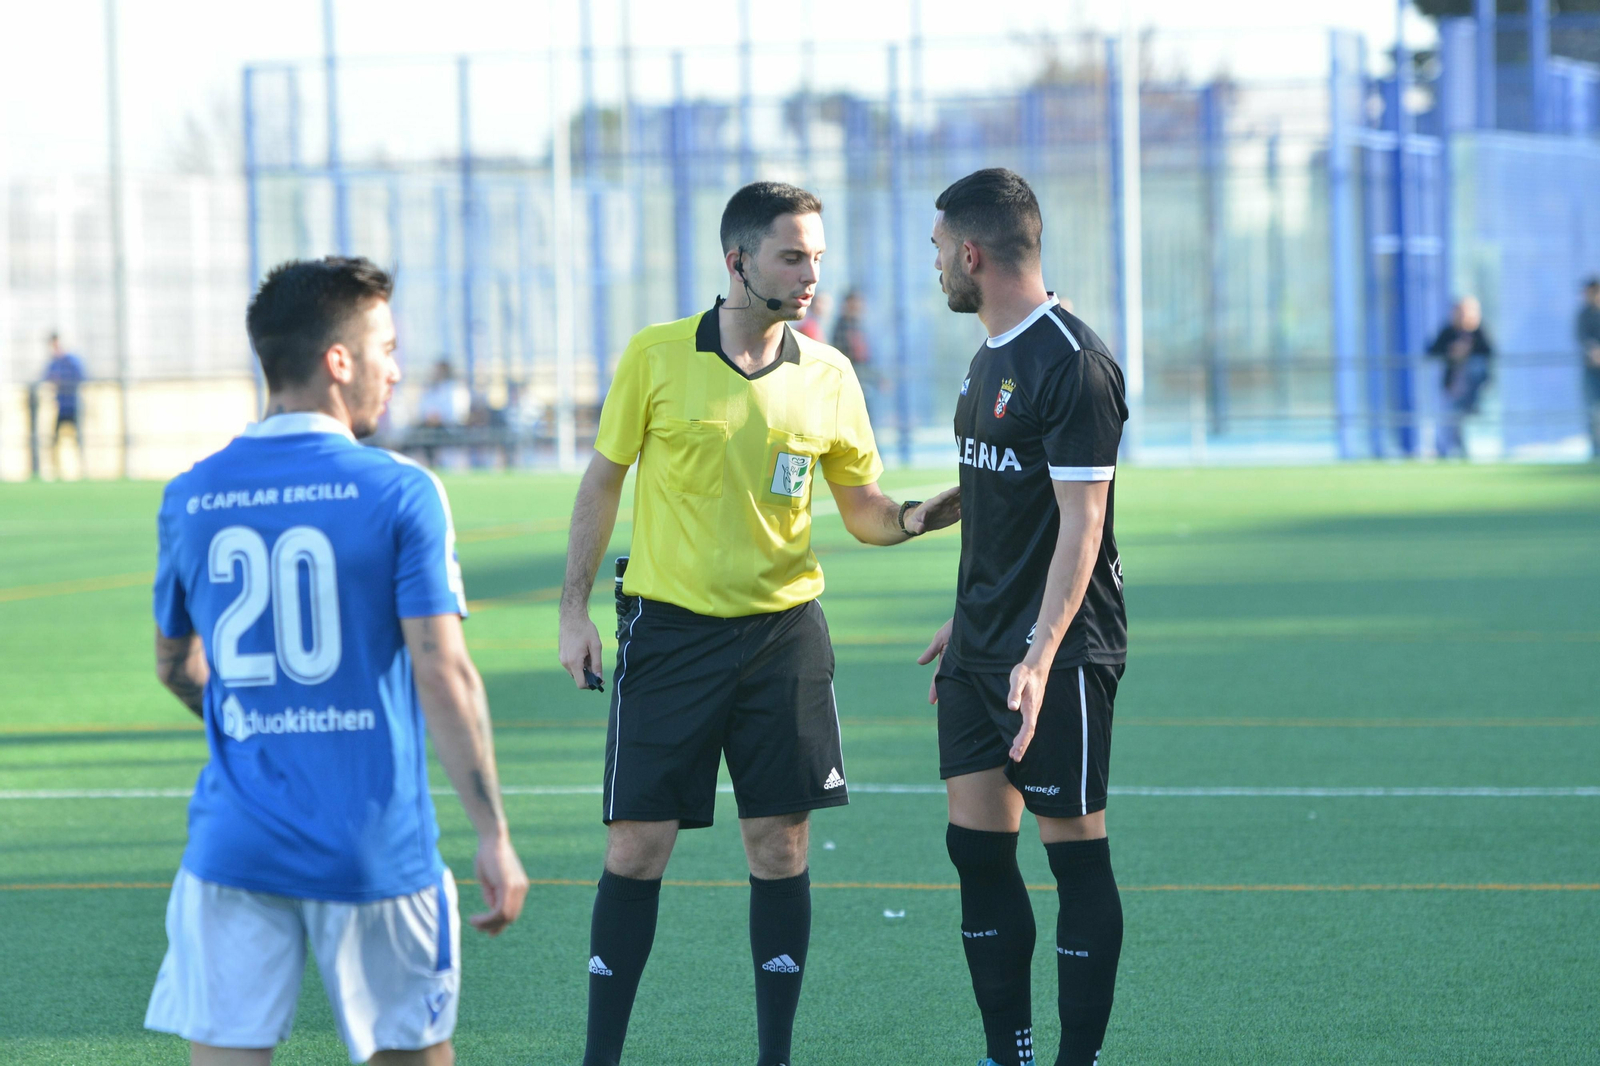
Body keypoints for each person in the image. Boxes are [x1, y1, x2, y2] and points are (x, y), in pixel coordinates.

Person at [556, 181, 959, 1066]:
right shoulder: (657, 357)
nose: (812, 273)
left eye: (817, 255)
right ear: (737, 261)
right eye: (792, 255)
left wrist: (929, 514)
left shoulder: (830, 375)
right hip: (667, 635)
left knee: (779, 845)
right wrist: (574, 610)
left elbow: (862, 509)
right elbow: (601, 483)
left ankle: (775, 1056)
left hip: (784, 638)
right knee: (636, 847)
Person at [145, 256, 529, 1066]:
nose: (397, 368)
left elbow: (176, 666)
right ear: (338, 361)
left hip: (233, 843)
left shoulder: (191, 494)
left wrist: (260, 718)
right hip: (374, 846)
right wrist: (493, 832)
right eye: (386, 347)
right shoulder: (399, 490)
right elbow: (443, 672)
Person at [917, 169, 1129, 1066]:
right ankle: (1012, 1053)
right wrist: (961, 618)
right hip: (977, 650)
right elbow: (998, 494)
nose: (934, 268)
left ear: (972, 253)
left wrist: (1038, 656)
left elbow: (1082, 525)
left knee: (1073, 857)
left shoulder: (1071, 363)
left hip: (1061, 651)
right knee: (975, 852)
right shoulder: (989, 352)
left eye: (937, 251)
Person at [1425, 296, 1493, 459]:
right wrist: (1451, 352)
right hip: (1452, 386)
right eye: (1459, 312)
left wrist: (1468, 350)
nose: (1462, 316)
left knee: (1464, 418)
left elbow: (1489, 353)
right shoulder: (1448, 332)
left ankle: (1466, 451)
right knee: (1450, 418)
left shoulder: (1479, 332)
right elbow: (1431, 351)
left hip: (1474, 390)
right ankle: (1448, 451)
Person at [41, 332, 86, 475]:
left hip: (74, 406)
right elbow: (46, 379)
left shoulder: (72, 360)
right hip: (60, 407)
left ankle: (83, 470)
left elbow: (82, 377)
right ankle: (55, 470)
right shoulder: (54, 363)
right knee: (55, 440)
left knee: (79, 439)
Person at [831, 288, 878, 419]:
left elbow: (865, 357)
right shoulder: (842, 327)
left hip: (863, 379)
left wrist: (877, 377)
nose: (858, 307)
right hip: (852, 380)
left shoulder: (858, 326)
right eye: (854, 304)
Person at [1579, 277, 1600, 459]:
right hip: (1591, 371)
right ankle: (1596, 451)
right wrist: (1593, 351)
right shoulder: (1583, 314)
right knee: (1593, 412)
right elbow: (1582, 338)